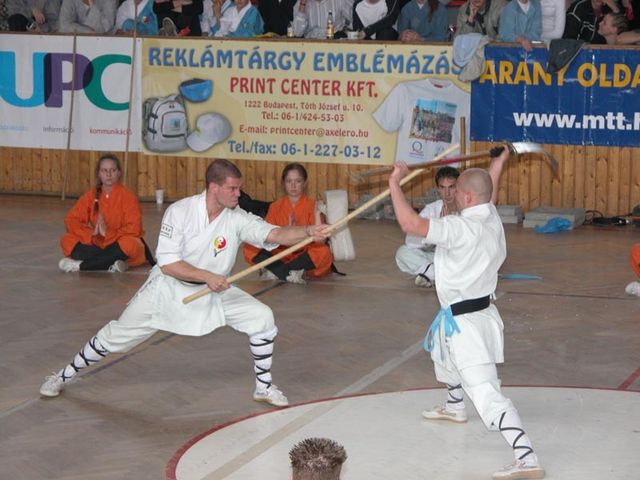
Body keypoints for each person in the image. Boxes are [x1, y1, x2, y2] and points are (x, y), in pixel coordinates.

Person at [40, 159, 329, 407]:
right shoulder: (180, 212)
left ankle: (263, 387)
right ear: (214, 188)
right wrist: (208, 277)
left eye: (238, 188)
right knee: (115, 337)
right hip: (167, 290)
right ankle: (63, 376)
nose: (238, 194)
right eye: (232, 188)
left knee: (262, 317)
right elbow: (168, 264)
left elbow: (274, 234)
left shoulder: (236, 217)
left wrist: (308, 231)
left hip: (214, 291)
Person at [388, 148, 546, 479]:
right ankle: (455, 406)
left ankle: (526, 456)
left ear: (468, 197)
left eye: (457, 190)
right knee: (444, 354)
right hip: (476, 315)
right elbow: (490, 188)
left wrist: (395, 183)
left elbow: (409, 223)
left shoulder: (459, 228)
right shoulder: (490, 217)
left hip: (468, 326)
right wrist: (498, 162)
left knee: (487, 394)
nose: (452, 195)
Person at [243, 163, 333, 285]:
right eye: (289, 181)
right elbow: (265, 237)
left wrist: (317, 213)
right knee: (250, 247)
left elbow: (320, 241)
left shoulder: (312, 205)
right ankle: (290, 273)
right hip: (281, 252)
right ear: (283, 183)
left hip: (303, 254)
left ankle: (278, 271)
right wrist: (287, 230)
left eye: (298, 181)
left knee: (323, 251)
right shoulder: (275, 207)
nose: (293, 185)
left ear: (305, 183)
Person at [58, 154, 149, 273]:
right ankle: (113, 262)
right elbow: (71, 219)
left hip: (118, 242)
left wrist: (108, 233)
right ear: (99, 174)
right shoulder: (90, 196)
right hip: (97, 242)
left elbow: (134, 229)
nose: (108, 174)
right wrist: (91, 234)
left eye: (112, 170)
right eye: (104, 170)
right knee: (67, 240)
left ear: (119, 173)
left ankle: (81, 266)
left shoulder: (129, 197)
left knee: (131, 244)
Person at [395, 166, 459, 288]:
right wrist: (433, 233)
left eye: (451, 187)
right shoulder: (432, 209)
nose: (447, 193)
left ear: (458, 187)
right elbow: (410, 241)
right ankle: (434, 273)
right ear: (438, 189)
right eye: (443, 188)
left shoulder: (467, 207)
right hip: (436, 256)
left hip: (459, 256)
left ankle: (431, 273)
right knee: (403, 253)